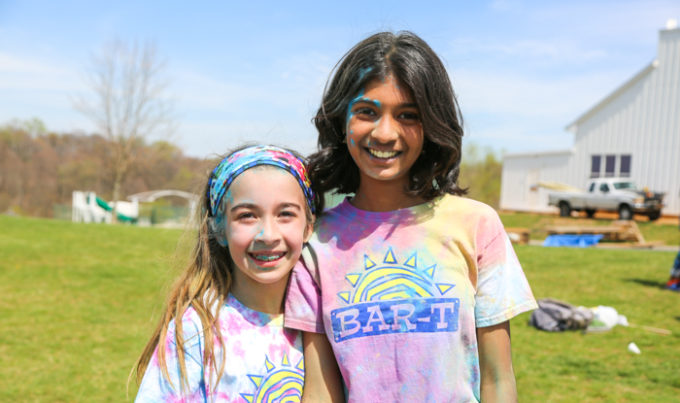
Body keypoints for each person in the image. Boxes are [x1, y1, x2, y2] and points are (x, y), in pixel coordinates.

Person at [285, 31, 538, 402]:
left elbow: (498, 382)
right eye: (367, 112)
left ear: (433, 125)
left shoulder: (476, 225)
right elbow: (321, 391)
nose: (385, 133)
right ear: (342, 120)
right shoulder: (316, 244)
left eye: (408, 116)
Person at [134, 145, 327, 402]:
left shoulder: (327, 320)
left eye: (285, 214)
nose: (268, 235)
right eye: (247, 216)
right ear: (220, 229)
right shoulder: (196, 331)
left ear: (308, 227)